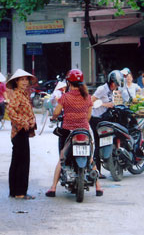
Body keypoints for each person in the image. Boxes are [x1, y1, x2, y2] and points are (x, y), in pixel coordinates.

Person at [45, 69, 103, 197]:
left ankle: (53, 188)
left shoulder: (65, 97)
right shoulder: (87, 97)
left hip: (67, 131)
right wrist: (81, 122)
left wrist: (54, 118)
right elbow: (88, 117)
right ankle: (98, 187)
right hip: (84, 131)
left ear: (69, 82)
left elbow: (56, 112)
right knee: (90, 158)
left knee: (62, 157)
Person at [6, 69, 37, 200]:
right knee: (22, 162)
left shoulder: (24, 95)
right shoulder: (17, 95)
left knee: (17, 161)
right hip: (19, 131)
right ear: (16, 82)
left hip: (20, 131)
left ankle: (14, 191)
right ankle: (20, 192)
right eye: (22, 80)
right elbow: (10, 110)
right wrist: (23, 122)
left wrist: (32, 120)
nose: (25, 82)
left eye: (26, 80)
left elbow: (25, 112)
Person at [90, 70, 124, 177]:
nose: (116, 86)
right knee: (98, 143)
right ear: (111, 82)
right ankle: (97, 171)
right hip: (96, 118)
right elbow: (91, 102)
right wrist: (105, 105)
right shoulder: (101, 89)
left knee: (106, 141)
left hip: (104, 118)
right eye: (116, 84)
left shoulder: (111, 90)